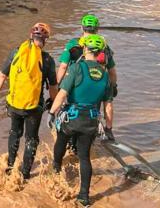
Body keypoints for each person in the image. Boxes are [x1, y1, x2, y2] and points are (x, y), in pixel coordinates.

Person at [48, 34, 112, 207]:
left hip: (72, 118)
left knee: (61, 140)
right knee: (84, 157)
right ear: (99, 52)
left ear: (85, 49)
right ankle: (84, 196)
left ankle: (55, 168)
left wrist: (51, 113)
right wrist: (109, 128)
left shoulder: (77, 68)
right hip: (91, 121)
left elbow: (62, 94)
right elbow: (108, 107)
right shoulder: (105, 75)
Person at [0, 23, 58, 179]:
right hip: (33, 107)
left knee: (14, 133)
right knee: (31, 138)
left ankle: (10, 167)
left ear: (30, 36)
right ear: (46, 39)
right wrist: (53, 102)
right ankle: (25, 173)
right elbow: (53, 86)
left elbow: (2, 75)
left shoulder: (15, 52)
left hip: (13, 105)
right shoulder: (47, 60)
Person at [57, 14, 118, 141]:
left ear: (81, 28)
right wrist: (113, 86)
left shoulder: (73, 44)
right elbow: (112, 71)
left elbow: (63, 67)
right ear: (97, 29)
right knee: (93, 116)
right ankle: (100, 134)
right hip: (98, 85)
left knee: (73, 113)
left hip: (76, 84)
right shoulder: (104, 46)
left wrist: (58, 86)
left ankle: (71, 142)